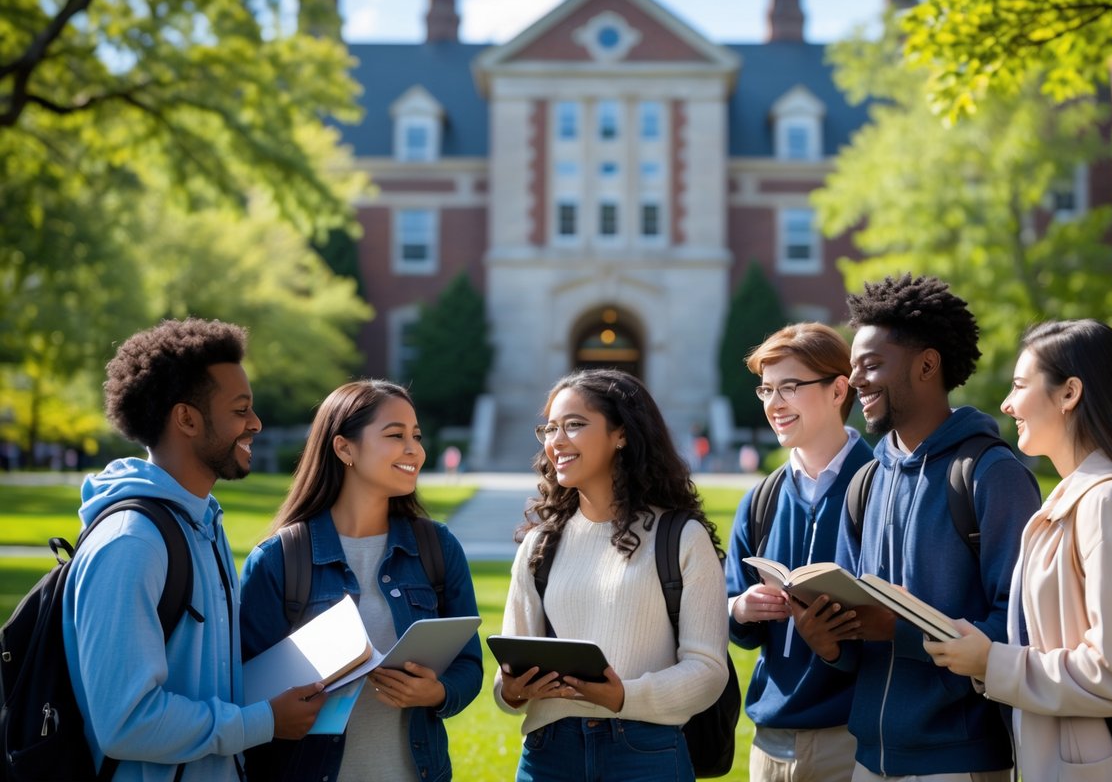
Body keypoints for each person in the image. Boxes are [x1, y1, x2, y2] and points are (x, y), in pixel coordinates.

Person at [924, 319, 1112, 780]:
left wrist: (991, 662)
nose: (1007, 403)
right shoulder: (1083, 497)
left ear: (1069, 393)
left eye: (1019, 385)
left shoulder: (1111, 505)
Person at [63, 318, 324, 781]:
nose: (256, 423)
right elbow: (126, 723)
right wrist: (262, 722)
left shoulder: (204, 523)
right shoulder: (131, 542)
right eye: (241, 409)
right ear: (186, 418)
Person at [807, 274, 1041, 781]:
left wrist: (903, 632)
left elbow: (1024, 628)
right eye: (854, 369)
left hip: (959, 758)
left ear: (927, 365)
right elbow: (855, 632)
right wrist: (827, 639)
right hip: (869, 757)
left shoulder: (990, 474)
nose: (857, 382)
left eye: (872, 365)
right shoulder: (865, 482)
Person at [240, 379, 483, 782]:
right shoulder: (279, 559)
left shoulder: (438, 548)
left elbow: (469, 665)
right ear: (344, 448)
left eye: (416, 436)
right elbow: (245, 688)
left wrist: (437, 692)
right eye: (395, 435)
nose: (415, 450)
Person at [495, 368, 729, 781]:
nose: (556, 441)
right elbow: (506, 678)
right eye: (549, 428)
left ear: (621, 434)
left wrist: (624, 696)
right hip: (549, 753)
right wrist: (512, 690)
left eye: (574, 425)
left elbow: (708, 671)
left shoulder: (681, 538)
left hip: (645, 751)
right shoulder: (538, 545)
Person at [725, 322, 873, 782]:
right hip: (769, 742)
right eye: (766, 390)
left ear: (837, 390)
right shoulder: (760, 499)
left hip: (854, 738)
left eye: (789, 387)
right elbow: (736, 624)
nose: (774, 404)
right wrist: (742, 610)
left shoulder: (880, 488)